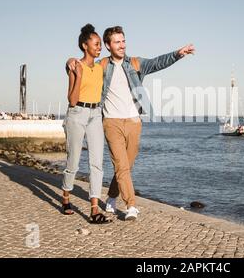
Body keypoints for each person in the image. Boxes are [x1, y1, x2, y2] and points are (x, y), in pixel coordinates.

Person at [68, 26, 194, 221]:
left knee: (126, 165)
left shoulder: (135, 63)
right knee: (121, 165)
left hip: (134, 121)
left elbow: (157, 62)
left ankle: (111, 197)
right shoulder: (102, 65)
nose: (122, 45)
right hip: (111, 122)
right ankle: (131, 206)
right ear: (108, 46)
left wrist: (177, 54)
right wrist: (69, 62)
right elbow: (80, 66)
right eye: (117, 42)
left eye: (123, 41)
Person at [62, 24, 109, 224]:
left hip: (96, 114)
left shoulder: (100, 67)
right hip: (77, 113)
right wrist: (78, 74)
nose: (100, 47)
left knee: (97, 163)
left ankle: (94, 209)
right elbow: (71, 100)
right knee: (73, 160)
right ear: (84, 45)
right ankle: (65, 198)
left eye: (100, 44)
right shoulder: (75, 66)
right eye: (96, 44)